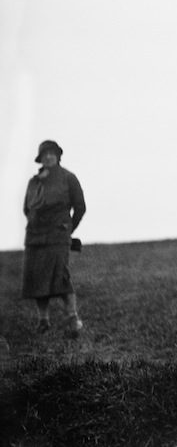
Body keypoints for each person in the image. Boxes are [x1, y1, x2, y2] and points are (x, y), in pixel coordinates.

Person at [22, 140, 86, 337]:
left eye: (52, 153)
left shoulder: (68, 178)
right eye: (45, 154)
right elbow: (27, 208)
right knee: (37, 280)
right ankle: (43, 320)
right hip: (35, 238)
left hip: (58, 236)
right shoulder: (34, 181)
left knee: (61, 276)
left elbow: (80, 207)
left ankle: (73, 318)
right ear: (40, 158)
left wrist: (68, 230)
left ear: (58, 156)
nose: (48, 157)